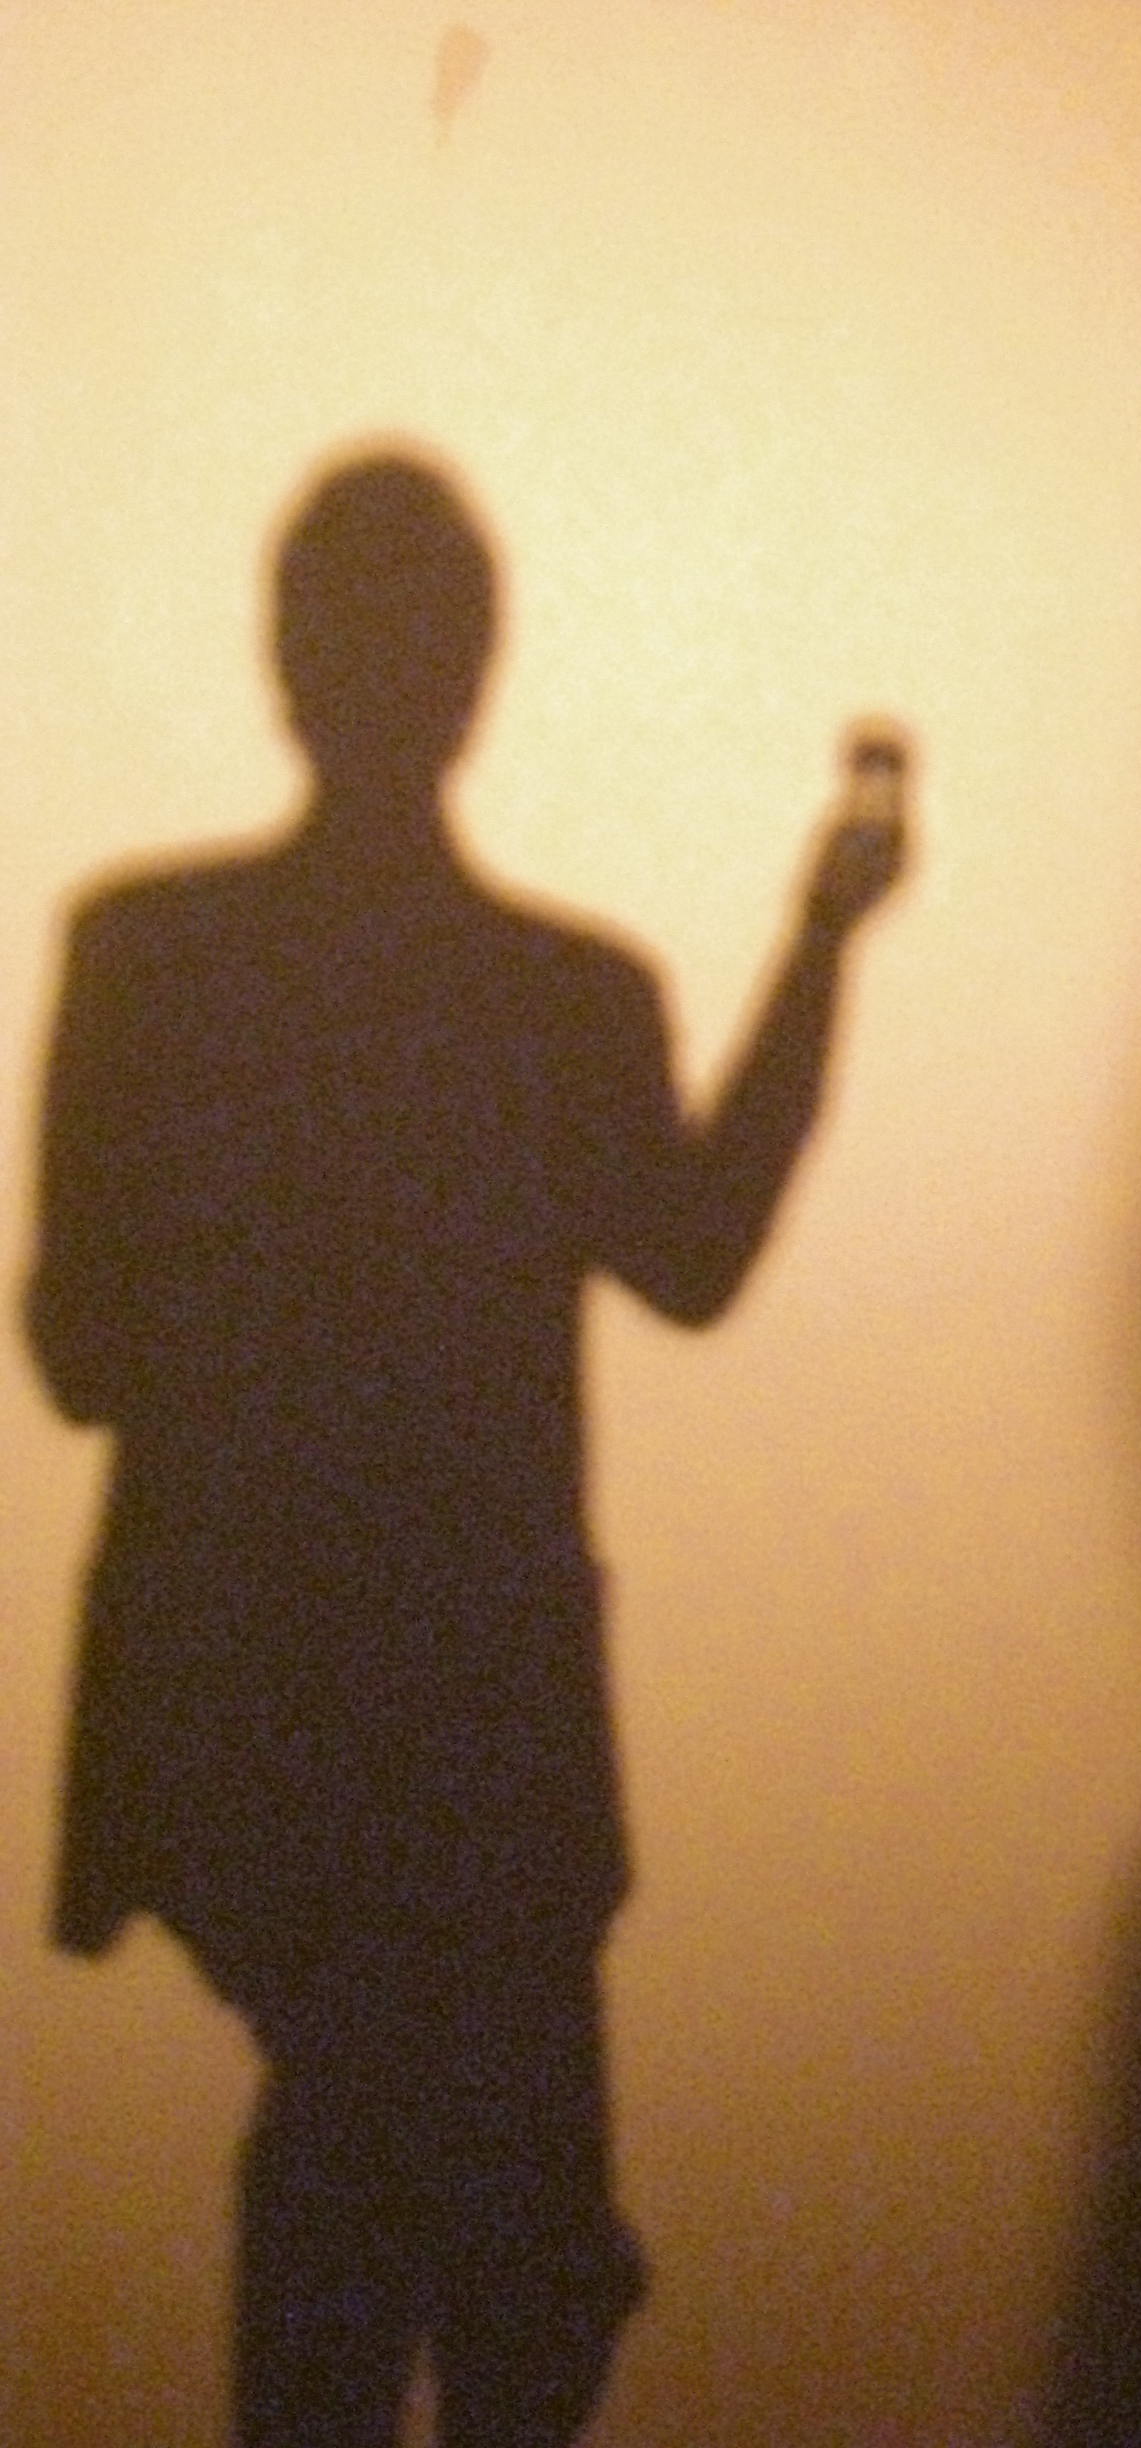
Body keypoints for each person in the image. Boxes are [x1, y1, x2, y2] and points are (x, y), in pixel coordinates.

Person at [25, 447, 908, 2448]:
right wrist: (822, 944)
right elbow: (696, 1257)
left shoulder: (150, 956)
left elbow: (80, 1352)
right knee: (506, 2247)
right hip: (481, 1717)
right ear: (478, 670)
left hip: (250, 1698)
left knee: (378, 2193)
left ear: (284, 658)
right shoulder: (557, 1000)